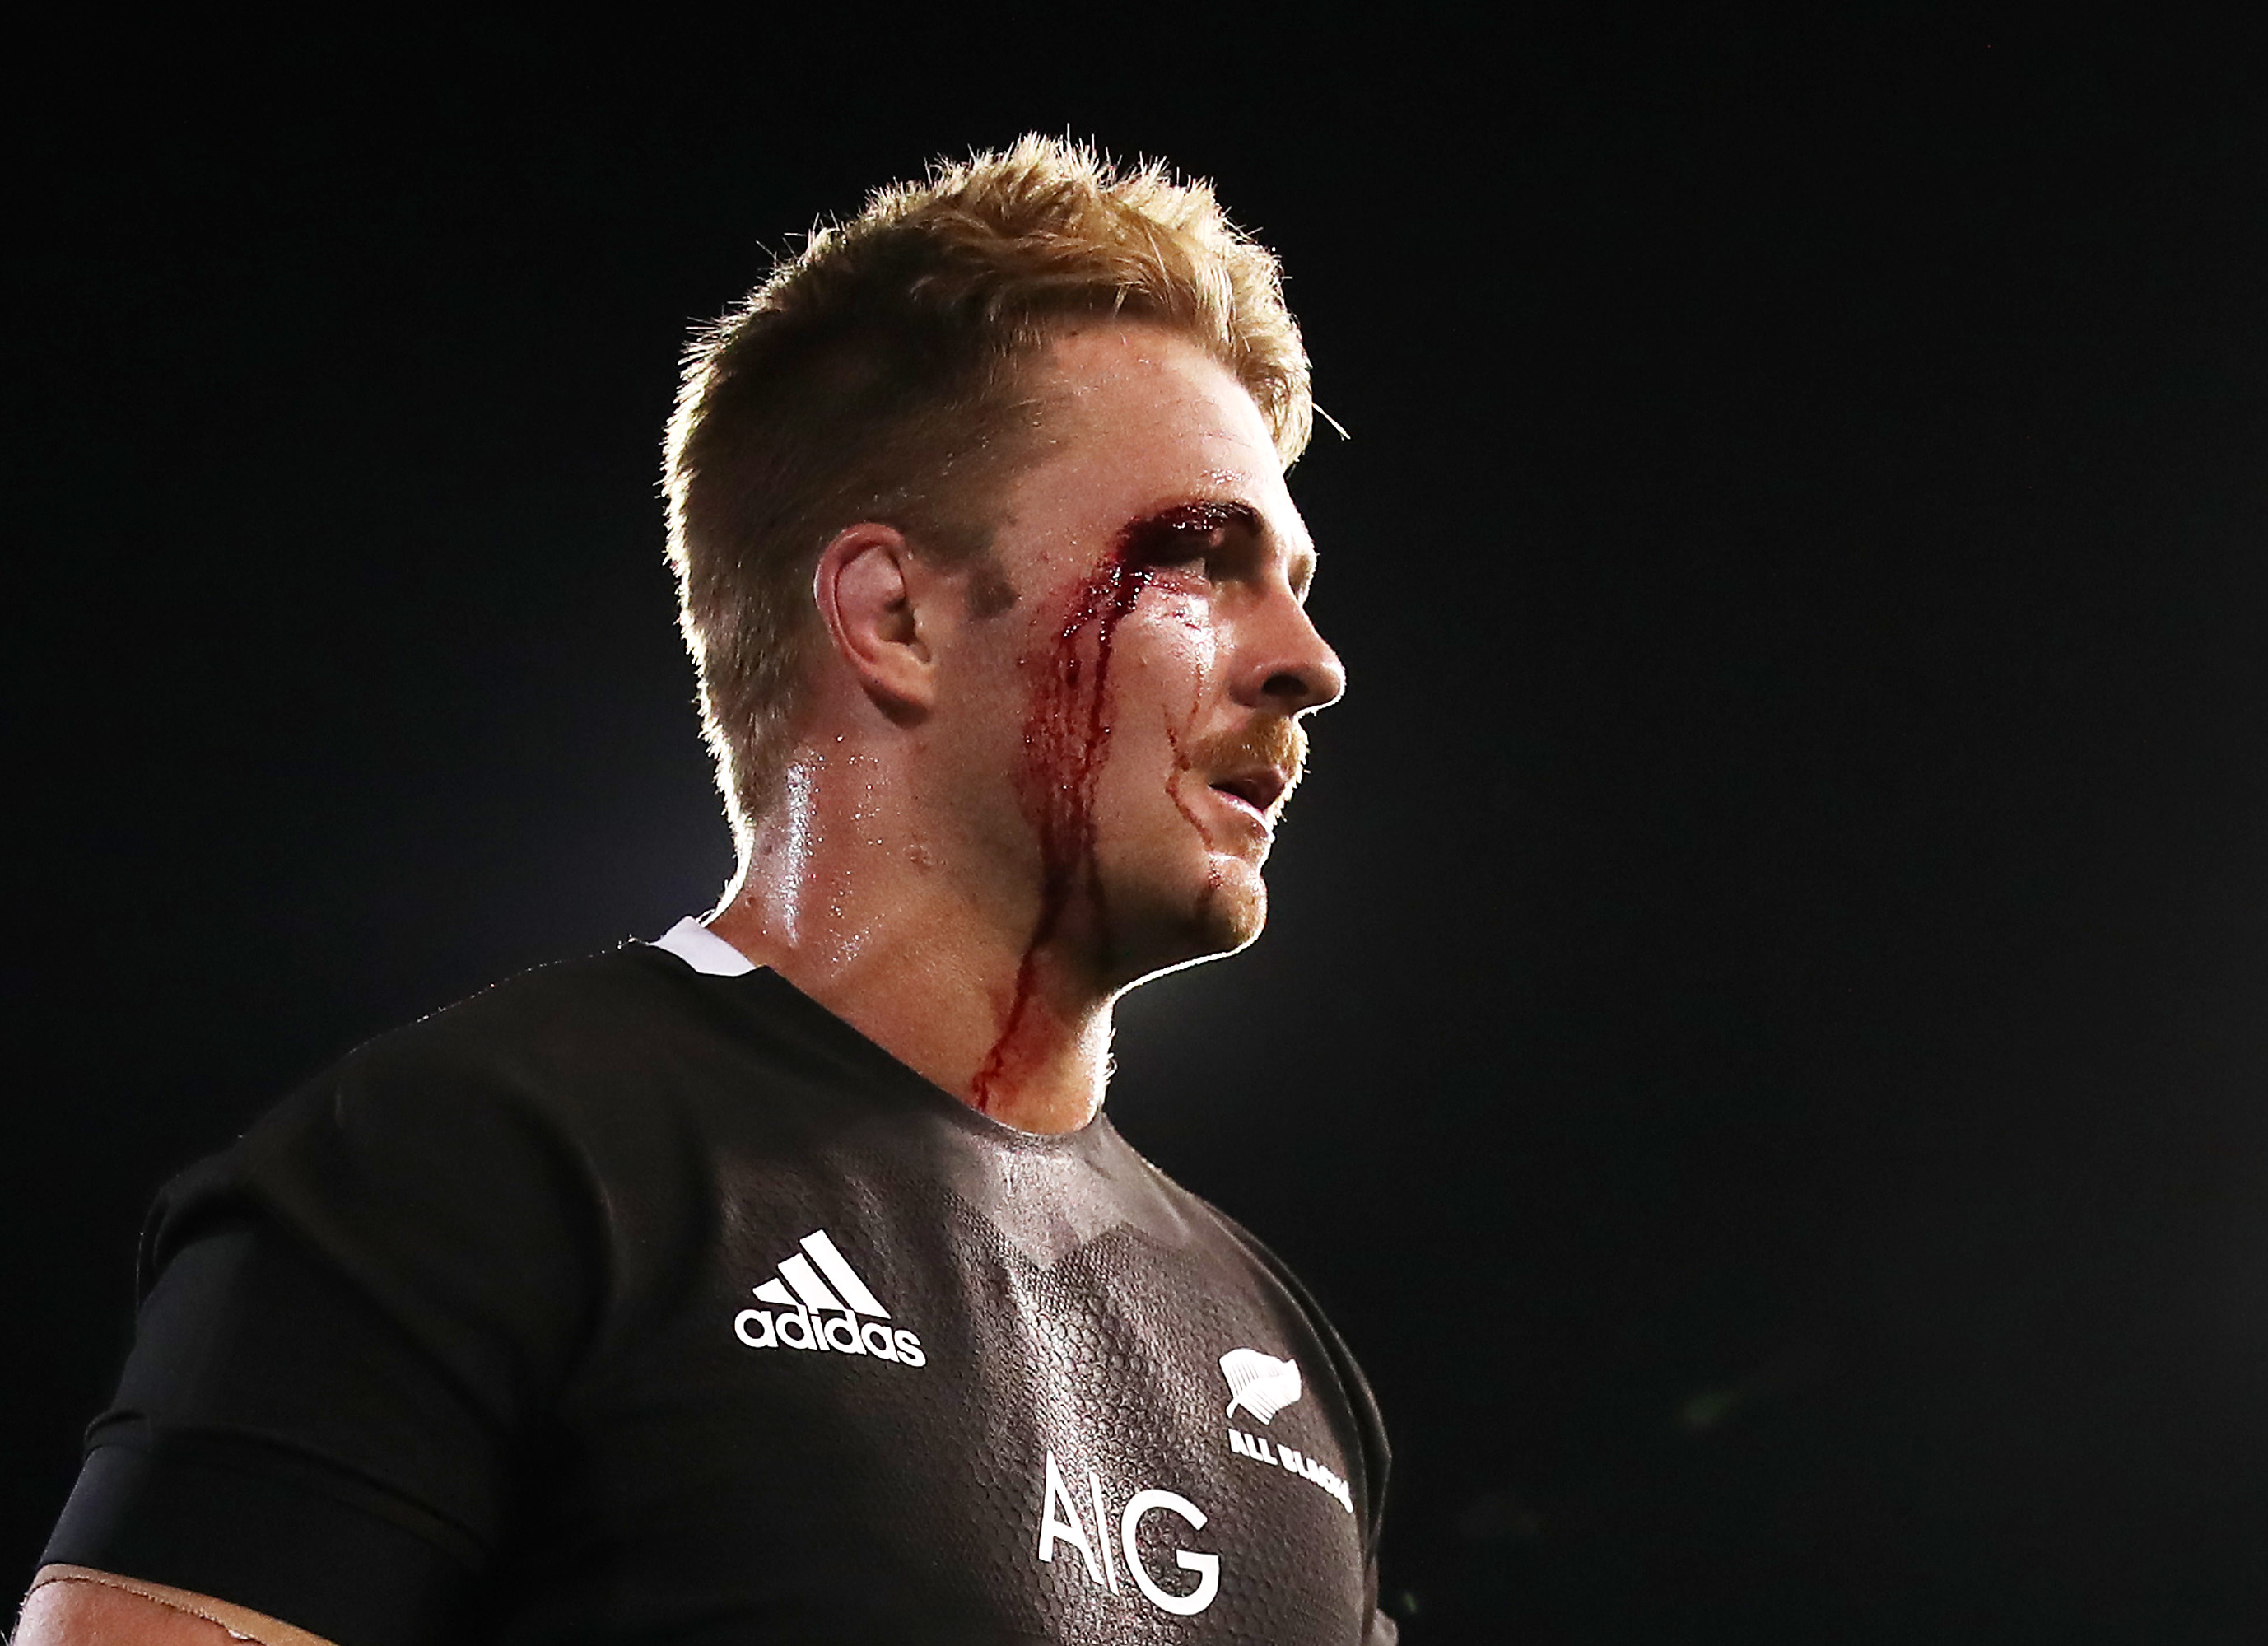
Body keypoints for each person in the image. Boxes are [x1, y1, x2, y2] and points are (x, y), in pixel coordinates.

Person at [18, 136, 1392, 1645]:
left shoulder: (1283, 1356)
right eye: (1202, 559)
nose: (1307, 665)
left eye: (1301, 585)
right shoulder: (479, 1168)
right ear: (894, 616)